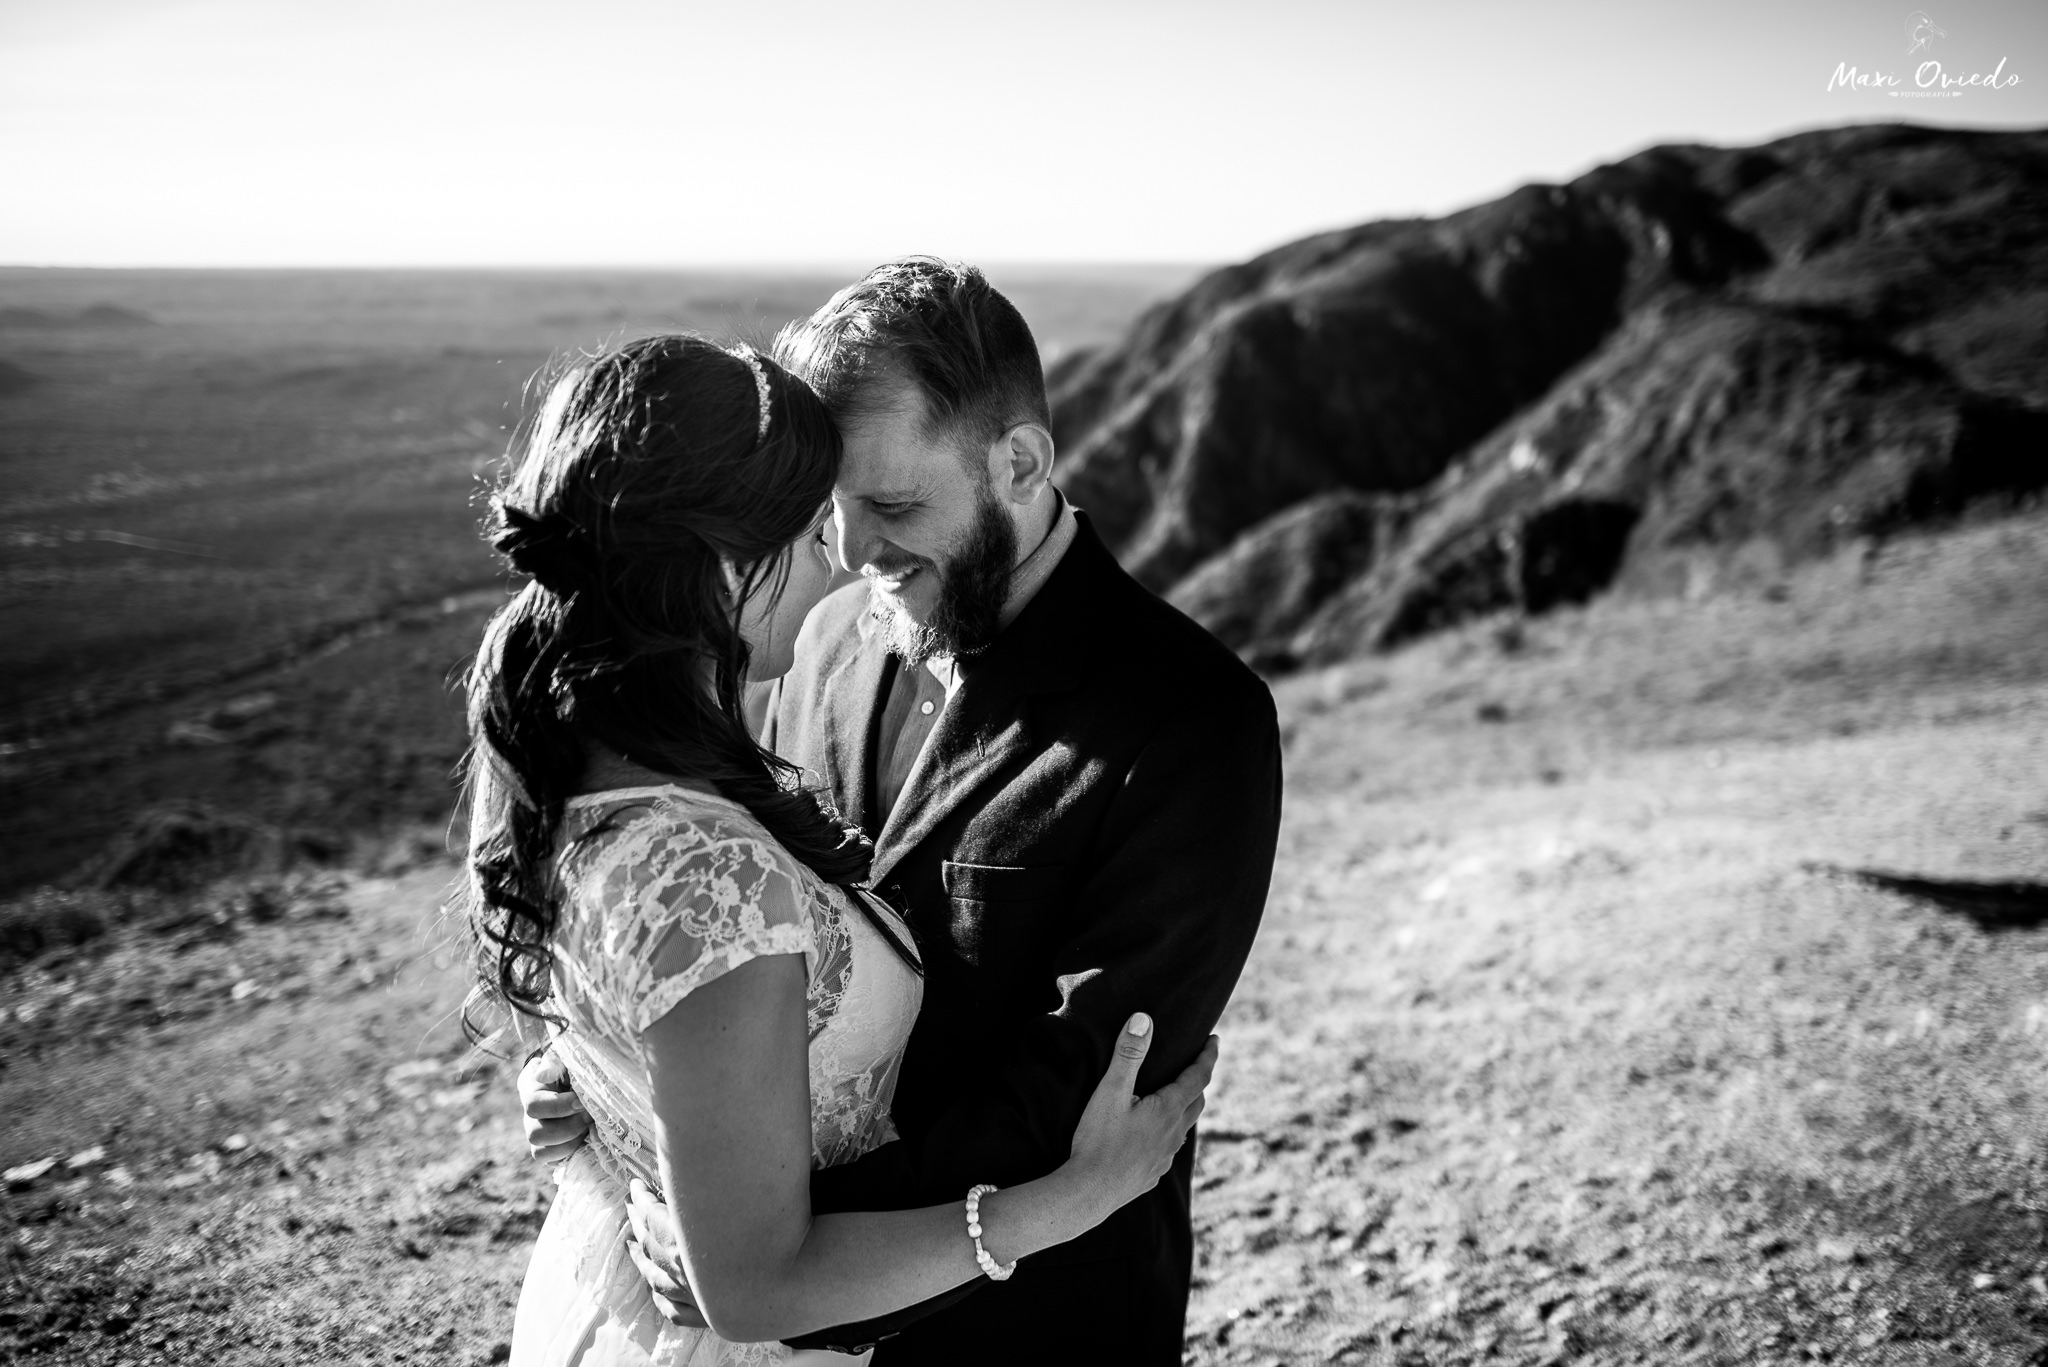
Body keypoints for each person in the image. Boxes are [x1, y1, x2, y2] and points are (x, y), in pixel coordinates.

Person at [525, 261, 1284, 1363]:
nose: (854, 552)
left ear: (1018, 462)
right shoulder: (824, 640)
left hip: (1025, 1322)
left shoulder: (1192, 719)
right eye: (825, 514)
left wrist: (772, 1253)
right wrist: (625, 1078)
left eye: (891, 504)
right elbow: (741, 932)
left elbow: (1077, 1080)